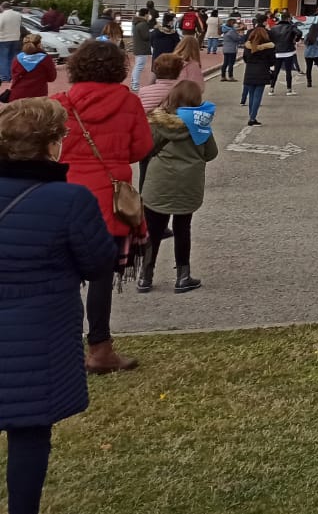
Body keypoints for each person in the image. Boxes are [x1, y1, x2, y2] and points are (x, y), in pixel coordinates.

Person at [0, 97, 118, 514]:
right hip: (39, 329)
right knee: (30, 431)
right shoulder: (70, 200)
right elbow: (99, 261)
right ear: (52, 145)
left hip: (33, 321)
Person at [56, 40, 151, 372]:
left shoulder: (61, 103)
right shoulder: (129, 101)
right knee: (100, 280)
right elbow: (141, 148)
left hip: (64, 198)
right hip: (109, 202)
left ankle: (61, 348)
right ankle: (100, 349)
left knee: (62, 278)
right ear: (118, 68)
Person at [136, 80, 217, 295]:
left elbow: (146, 149)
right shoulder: (201, 125)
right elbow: (211, 153)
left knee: (153, 230)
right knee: (183, 228)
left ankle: (145, 275)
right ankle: (183, 275)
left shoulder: (159, 123)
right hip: (188, 184)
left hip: (160, 182)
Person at [238, 28, 275, 126]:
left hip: (249, 71)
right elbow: (272, 61)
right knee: (258, 96)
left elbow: (245, 58)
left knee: (251, 95)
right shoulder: (268, 47)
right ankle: (252, 118)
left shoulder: (248, 46)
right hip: (262, 71)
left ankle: (251, 115)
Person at [8, 35, 56, 101]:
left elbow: (14, 76)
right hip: (38, 96)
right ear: (39, 45)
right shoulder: (46, 59)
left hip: (18, 95)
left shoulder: (17, 58)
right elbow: (52, 78)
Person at [267, 14, 300, 95]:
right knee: (288, 71)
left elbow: (269, 36)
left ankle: (271, 88)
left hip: (277, 52)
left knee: (276, 71)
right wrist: (295, 40)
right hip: (288, 52)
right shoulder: (291, 27)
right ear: (288, 19)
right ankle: (289, 89)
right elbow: (299, 33)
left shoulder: (274, 28)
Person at [128, 10, 153, 91]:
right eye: (148, 14)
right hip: (142, 48)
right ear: (145, 15)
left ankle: (133, 83)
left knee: (137, 66)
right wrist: (152, 33)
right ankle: (135, 84)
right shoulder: (143, 24)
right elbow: (146, 37)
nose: (149, 16)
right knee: (139, 67)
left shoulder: (137, 23)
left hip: (138, 48)